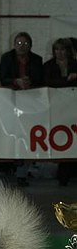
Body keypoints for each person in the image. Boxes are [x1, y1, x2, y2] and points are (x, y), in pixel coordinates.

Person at [0, 32, 43, 186]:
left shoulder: (37, 60)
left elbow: (41, 79)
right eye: (18, 44)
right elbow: (2, 77)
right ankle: (12, 166)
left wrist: (29, 81)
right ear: (14, 44)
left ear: (30, 45)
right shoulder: (6, 58)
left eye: (25, 44)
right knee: (13, 133)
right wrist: (16, 81)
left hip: (30, 103)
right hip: (10, 102)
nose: (21, 47)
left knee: (28, 134)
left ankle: (23, 170)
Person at [43, 37, 77, 186]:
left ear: (68, 51)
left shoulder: (75, 65)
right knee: (62, 139)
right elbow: (46, 83)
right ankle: (63, 177)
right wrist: (67, 81)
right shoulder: (48, 66)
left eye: (63, 49)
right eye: (57, 49)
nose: (60, 52)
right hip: (55, 109)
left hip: (73, 109)